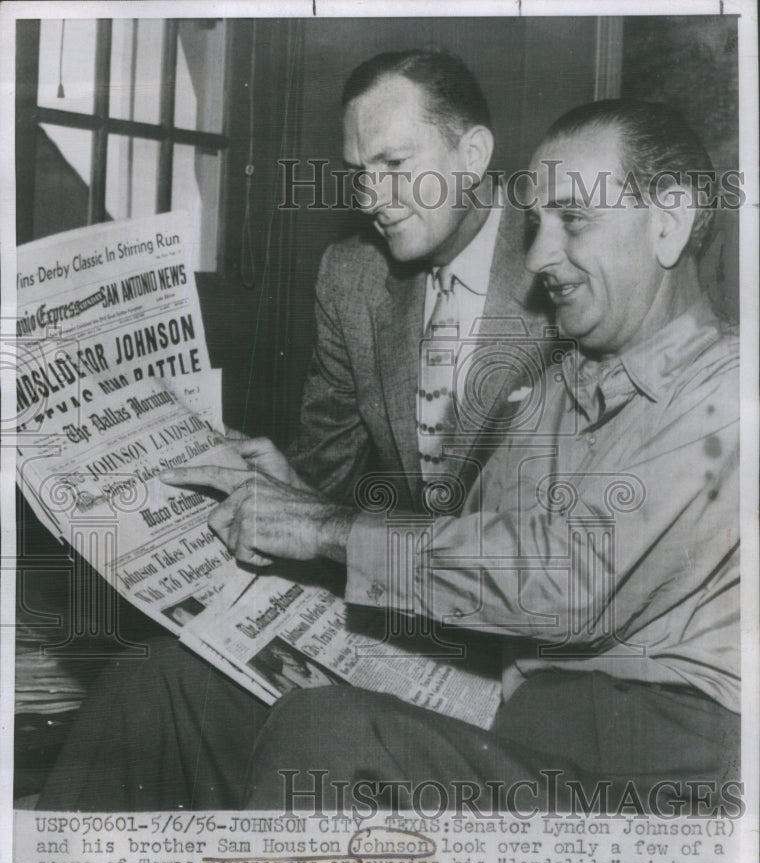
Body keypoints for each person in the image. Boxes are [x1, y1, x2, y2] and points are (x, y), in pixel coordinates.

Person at [159, 99, 741, 814]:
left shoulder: (730, 390)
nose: (536, 257)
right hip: (520, 731)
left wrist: (324, 525)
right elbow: (462, 568)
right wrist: (299, 504)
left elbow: (563, 583)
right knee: (174, 681)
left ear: (670, 219)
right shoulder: (561, 383)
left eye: (573, 219)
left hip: (657, 776)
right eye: (533, 223)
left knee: (331, 738)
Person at [36, 49, 545, 811]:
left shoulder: (564, 267)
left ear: (472, 154)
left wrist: (326, 523)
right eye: (358, 170)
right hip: (401, 617)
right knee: (151, 677)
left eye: (396, 163)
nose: (373, 194)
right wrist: (286, 485)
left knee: (317, 731)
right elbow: (329, 487)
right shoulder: (355, 276)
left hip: (528, 644)